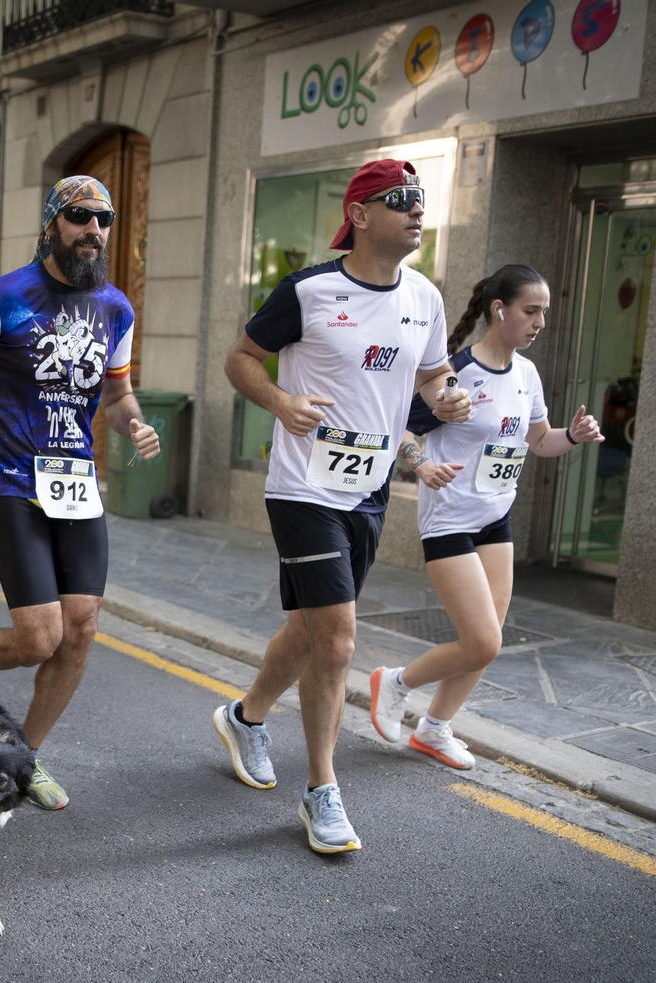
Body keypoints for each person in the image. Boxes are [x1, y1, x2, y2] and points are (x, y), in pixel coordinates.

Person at [210, 159, 470, 855]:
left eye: (422, 201)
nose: (418, 211)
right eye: (401, 200)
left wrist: (448, 398)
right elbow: (240, 358)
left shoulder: (425, 296)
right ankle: (322, 791)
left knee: (310, 629)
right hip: (302, 487)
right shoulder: (310, 291)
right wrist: (281, 401)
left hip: (370, 488)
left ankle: (245, 716)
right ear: (358, 214)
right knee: (340, 641)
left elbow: (435, 376)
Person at [0, 176, 160, 811]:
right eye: (80, 217)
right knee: (38, 638)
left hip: (75, 484)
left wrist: (133, 420)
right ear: (53, 222)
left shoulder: (115, 307)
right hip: (10, 482)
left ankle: (24, 756)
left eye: (103, 220)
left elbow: (114, 392)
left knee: (80, 629)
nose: (94, 231)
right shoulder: (4, 297)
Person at [368, 265, 603, 767]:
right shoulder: (456, 374)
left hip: (496, 519)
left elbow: (539, 441)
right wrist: (423, 465)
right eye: (531, 310)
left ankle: (435, 728)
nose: (540, 321)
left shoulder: (527, 374)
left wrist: (575, 436)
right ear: (500, 310)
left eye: (544, 312)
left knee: (486, 639)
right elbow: (401, 433)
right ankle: (395, 682)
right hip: (450, 519)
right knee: (484, 642)